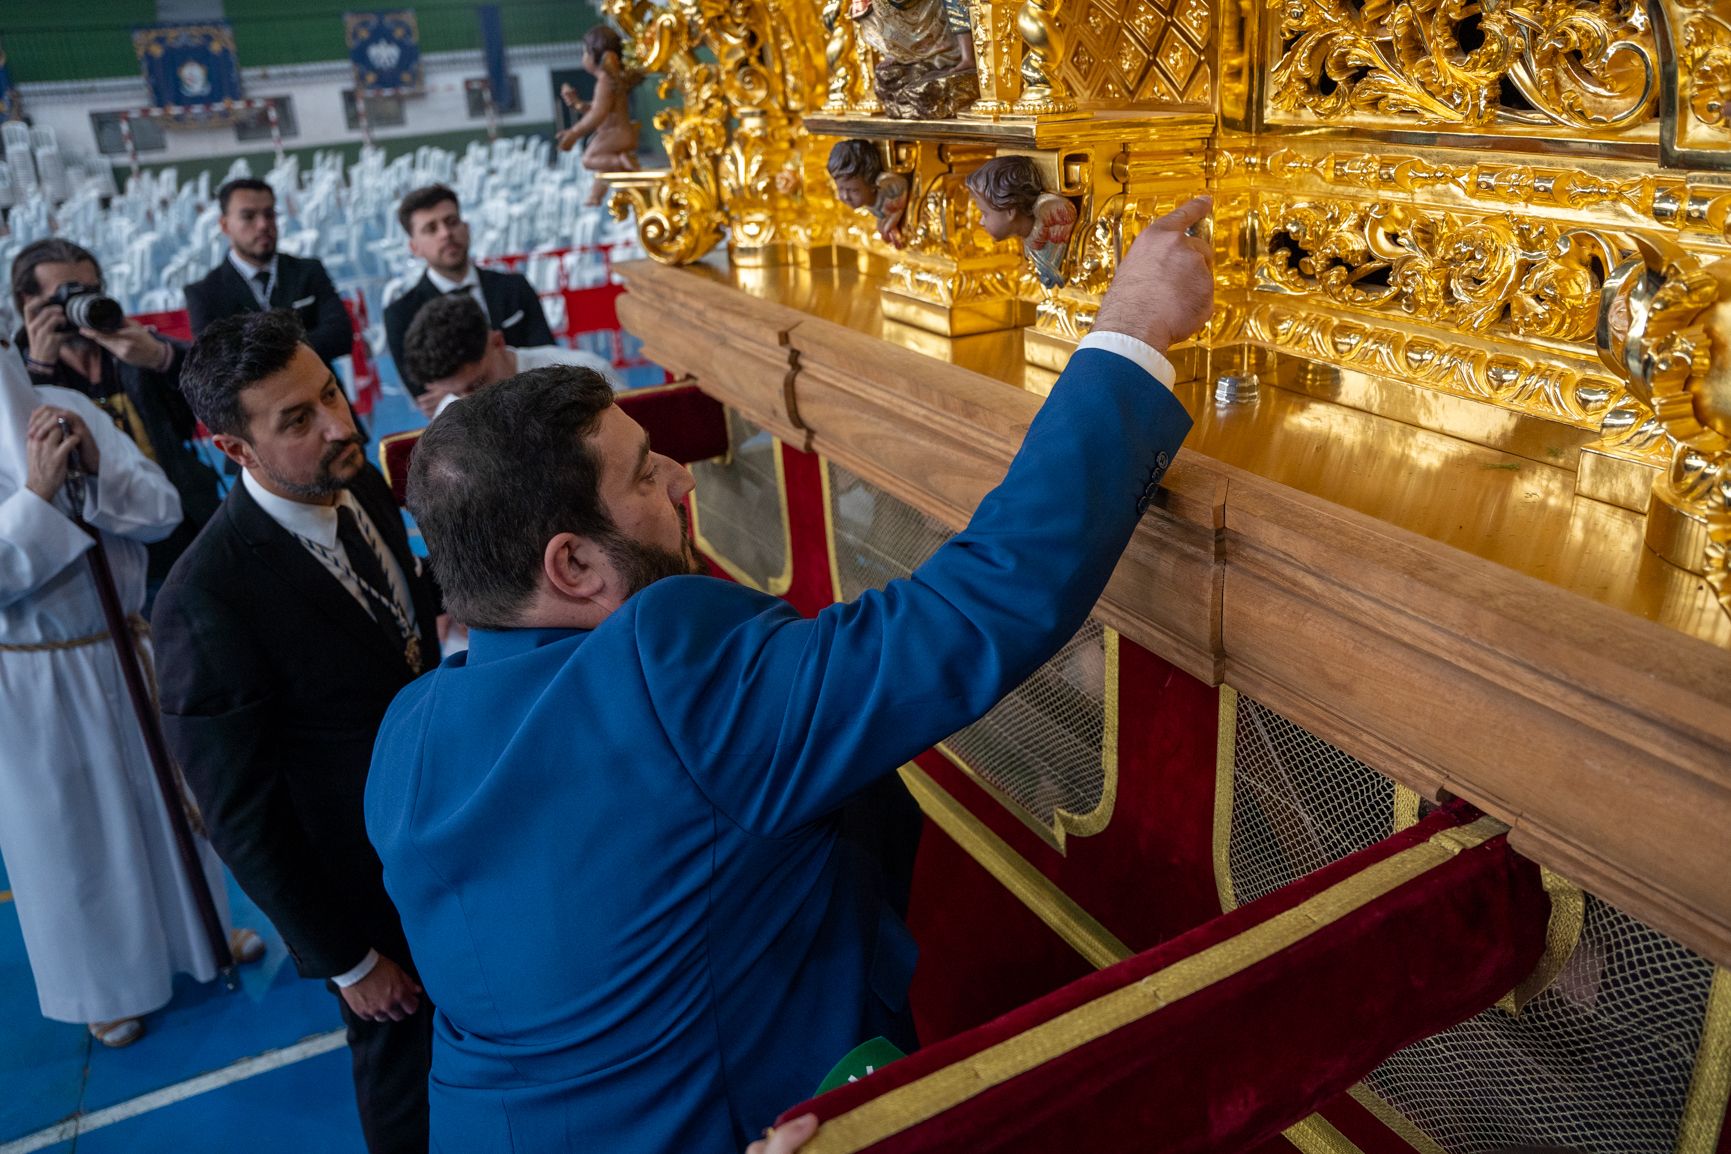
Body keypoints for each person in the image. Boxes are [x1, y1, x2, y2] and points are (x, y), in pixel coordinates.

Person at [365, 196, 1214, 1151]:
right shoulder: (661, 680)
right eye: (644, 476)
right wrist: (1130, 335)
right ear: (573, 567)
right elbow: (973, 611)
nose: (684, 479)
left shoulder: (406, 734)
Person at [154, 312, 441, 1154]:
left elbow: (404, 624)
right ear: (231, 449)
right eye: (297, 419)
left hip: (446, 831)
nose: (338, 424)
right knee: (404, 1078)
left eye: (330, 393)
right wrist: (347, 960)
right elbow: (241, 815)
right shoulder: (206, 602)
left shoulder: (358, 480)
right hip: (364, 891)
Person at [0, 348, 260, 1051]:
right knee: (75, 833)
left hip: (121, 642)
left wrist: (92, 470)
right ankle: (103, 986)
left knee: (164, 802)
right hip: (32, 672)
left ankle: (199, 936)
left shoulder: (72, 408)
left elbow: (160, 507)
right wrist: (33, 499)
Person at [12, 239, 222, 590]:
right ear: (28, 303)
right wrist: (38, 372)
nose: (79, 303)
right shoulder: (16, 374)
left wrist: (160, 357)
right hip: (105, 555)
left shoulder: (128, 342)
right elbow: (21, 457)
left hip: (185, 525)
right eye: (65, 295)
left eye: (90, 290)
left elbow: (217, 381)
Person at [383, 184, 554, 400]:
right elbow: (427, 399)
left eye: (451, 222)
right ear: (414, 247)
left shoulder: (514, 287)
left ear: (466, 227)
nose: (446, 234)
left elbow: (547, 360)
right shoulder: (402, 315)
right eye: (431, 229)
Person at [184, 178, 354, 370]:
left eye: (269, 214)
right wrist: (297, 348)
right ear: (225, 225)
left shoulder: (308, 271)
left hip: (322, 393)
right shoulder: (205, 294)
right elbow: (218, 365)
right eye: (248, 216)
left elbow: (340, 336)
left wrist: (259, 357)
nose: (263, 225)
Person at [403, 292, 622, 418]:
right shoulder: (449, 414)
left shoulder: (589, 375)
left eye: (478, 383)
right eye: (455, 393)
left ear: (497, 342)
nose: (469, 401)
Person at [555, 26, 642, 206]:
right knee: (603, 166)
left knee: (588, 160)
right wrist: (578, 104)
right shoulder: (607, 80)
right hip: (615, 133)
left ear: (597, 55)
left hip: (616, 133)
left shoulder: (605, 81)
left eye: (585, 52)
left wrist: (574, 133)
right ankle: (596, 196)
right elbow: (599, 109)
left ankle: (621, 160)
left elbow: (598, 114)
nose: (583, 57)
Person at [827, 140, 910, 248]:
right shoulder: (870, 203)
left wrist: (889, 226)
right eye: (840, 189)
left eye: (853, 190)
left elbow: (901, 185)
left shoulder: (888, 197)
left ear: (873, 184)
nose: (845, 196)